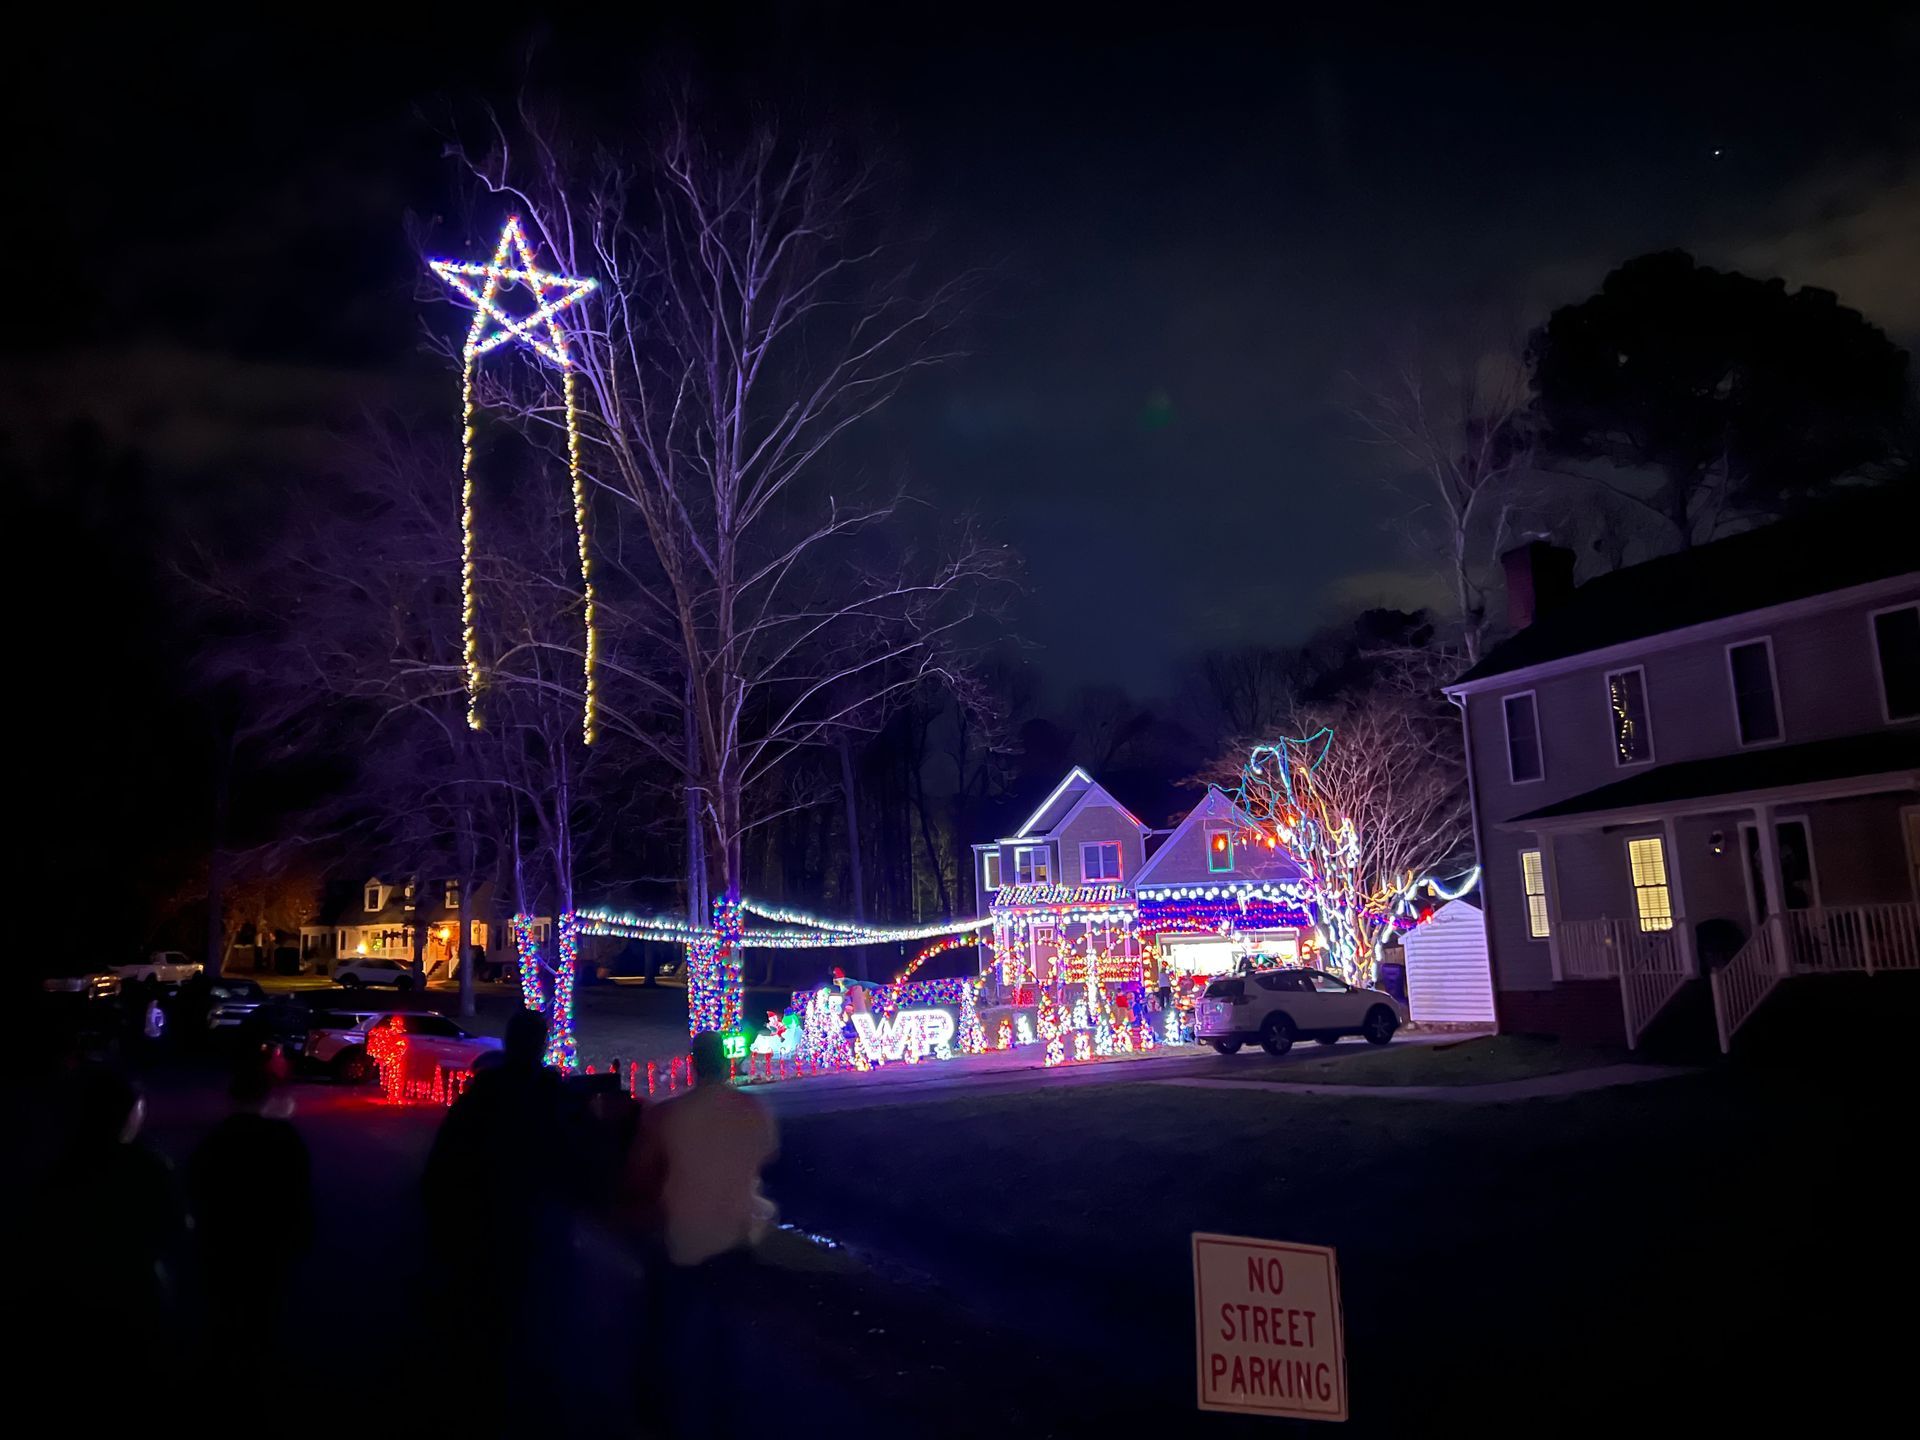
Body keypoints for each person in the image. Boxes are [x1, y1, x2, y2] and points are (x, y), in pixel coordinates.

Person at [26, 1064, 186, 1417]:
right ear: (128, 1112)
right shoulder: (147, 1167)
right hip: (134, 1298)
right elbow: (175, 1230)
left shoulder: (60, 1168)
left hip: (70, 1307)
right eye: (138, 1107)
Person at [642, 1031, 779, 1436]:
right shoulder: (751, 1110)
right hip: (734, 1237)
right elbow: (766, 1154)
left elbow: (642, 1169)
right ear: (723, 1062)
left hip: (682, 1239)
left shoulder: (668, 1116)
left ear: (694, 1063)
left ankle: (664, 1413)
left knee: (671, 1334)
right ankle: (725, 1415)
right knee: (724, 1337)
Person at [188, 1048, 314, 1355]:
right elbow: (297, 1190)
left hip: (223, 1241)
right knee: (263, 1311)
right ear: (268, 1097)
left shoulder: (217, 1138)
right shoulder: (283, 1139)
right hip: (269, 1242)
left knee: (223, 1310)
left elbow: (197, 1187)